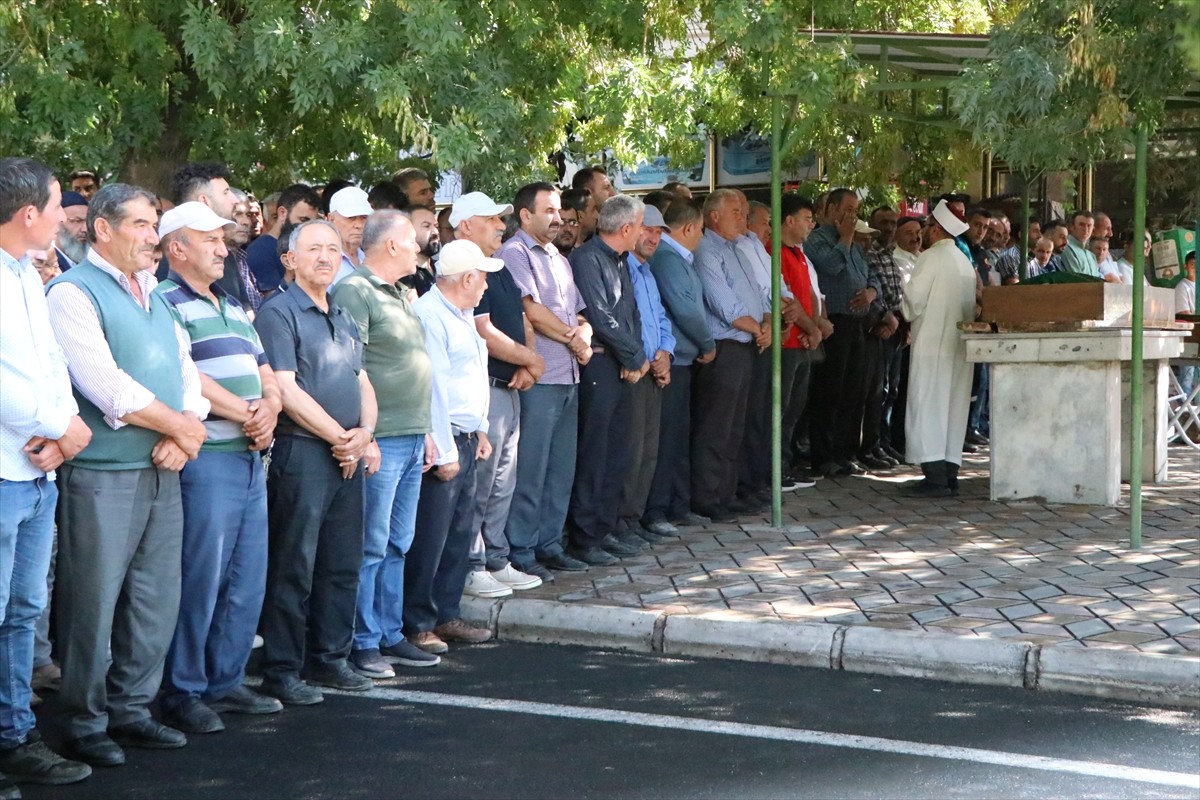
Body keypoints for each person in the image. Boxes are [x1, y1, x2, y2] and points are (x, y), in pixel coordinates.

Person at [47, 183, 211, 767]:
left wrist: (184, 428)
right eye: (141, 224)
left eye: (155, 223)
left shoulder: (157, 295)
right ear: (102, 229)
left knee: (154, 598)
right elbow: (105, 384)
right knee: (93, 602)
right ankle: (83, 722)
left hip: (164, 466)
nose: (153, 236)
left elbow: (187, 372)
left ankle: (131, 711)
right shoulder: (72, 291)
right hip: (103, 473)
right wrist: (183, 431)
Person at [154, 202, 284, 733]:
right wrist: (249, 413)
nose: (222, 247)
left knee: (245, 580)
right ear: (176, 248)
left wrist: (270, 406)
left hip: (251, 458)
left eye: (222, 238)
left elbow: (265, 369)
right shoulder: (164, 301)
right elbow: (185, 374)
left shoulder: (231, 303)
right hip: (208, 458)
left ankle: (225, 682)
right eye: (208, 238)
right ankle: (182, 691)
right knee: (200, 579)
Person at [253, 219, 378, 705]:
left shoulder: (343, 313)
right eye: (313, 249)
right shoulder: (277, 312)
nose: (325, 257)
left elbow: (362, 381)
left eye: (331, 248)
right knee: (293, 565)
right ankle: (283, 669)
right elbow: (284, 389)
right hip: (303, 452)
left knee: (341, 562)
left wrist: (364, 434)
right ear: (290, 259)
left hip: (346, 454)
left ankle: (330, 659)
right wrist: (340, 438)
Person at [0, 157, 94, 794]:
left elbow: (51, 364)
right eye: (59, 205)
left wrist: (65, 433)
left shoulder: (28, 277)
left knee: (23, 611)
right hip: (7, 473)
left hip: (36, 471)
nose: (66, 216)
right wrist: (60, 428)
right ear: (29, 214)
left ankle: (13, 736)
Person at [330, 211, 442, 678]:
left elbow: (412, 363)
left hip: (412, 435)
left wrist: (428, 429)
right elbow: (348, 368)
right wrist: (367, 434)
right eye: (411, 241)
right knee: (372, 544)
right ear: (392, 246)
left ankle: (390, 633)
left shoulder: (400, 291)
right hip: (383, 439)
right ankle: (363, 640)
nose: (419, 248)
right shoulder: (355, 291)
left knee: (399, 542)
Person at [405, 240, 499, 654]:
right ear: (466, 278)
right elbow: (434, 388)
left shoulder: (460, 314)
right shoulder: (430, 315)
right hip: (444, 439)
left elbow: (469, 377)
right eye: (482, 277)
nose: (485, 286)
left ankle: (445, 612)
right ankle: (419, 622)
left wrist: (479, 428)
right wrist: (444, 450)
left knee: (459, 532)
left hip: (464, 434)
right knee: (431, 534)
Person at [499, 186, 593, 575]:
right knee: (531, 468)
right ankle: (521, 551)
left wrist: (584, 334)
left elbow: (579, 311)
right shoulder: (514, 254)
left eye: (559, 211)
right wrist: (574, 338)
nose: (558, 218)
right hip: (541, 377)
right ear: (525, 216)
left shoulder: (559, 258)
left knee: (560, 468)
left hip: (569, 374)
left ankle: (550, 544)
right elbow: (531, 311)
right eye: (549, 211)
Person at [466, 185, 548, 592]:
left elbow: (523, 319)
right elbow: (484, 331)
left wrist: (529, 362)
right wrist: (529, 360)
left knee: (503, 481)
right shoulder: (463, 268)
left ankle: (496, 559)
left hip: (511, 385)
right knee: (481, 483)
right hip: (488, 389)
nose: (502, 226)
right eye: (492, 220)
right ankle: (473, 564)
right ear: (466, 225)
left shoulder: (496, 266)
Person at [567, 194, 648, 564]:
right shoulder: (587, 258)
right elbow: (600, 316)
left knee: (618, 450)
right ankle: (586, 536)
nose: (644, 233)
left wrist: (637, 355)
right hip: (600, 363)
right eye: (642, 225)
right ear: (627, 228)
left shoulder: (621, 261)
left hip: (621, 363)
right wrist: (633, 355)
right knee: (595, 452)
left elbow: (630, 312)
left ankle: (608, 525)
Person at [691, 189, 768, 519]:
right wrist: (755, 327)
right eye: (736, 211)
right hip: (724, 348)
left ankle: (727, 491)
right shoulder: (707, 250)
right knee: (717, 426)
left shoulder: (738, 248)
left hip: (747, 343)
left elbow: (757, 294)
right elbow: (724, 305)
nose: (743, 217)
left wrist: (765, 322)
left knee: (737, 425)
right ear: (714, 216)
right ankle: (707, 497)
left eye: (744, 211)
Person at [642, 199, 716, 533]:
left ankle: (678, 505)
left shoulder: (673, 258)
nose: (701, 237)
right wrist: (708, 342)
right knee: (667, 439)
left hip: (681, 359)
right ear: (688, 228)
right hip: (673, 361)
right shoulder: (669, 260)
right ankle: (658, 510)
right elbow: (685, 310)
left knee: (678, 437)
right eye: (701, 230)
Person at [804, 188, 881, 477]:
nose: (853, 215)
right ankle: (823, 456)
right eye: (848, 209)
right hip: (833, 323)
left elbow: (870, 274)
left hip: (857, 323)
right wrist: (846, 238)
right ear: (832, 209)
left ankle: (846, 452)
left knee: (854, 391)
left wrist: (871, 293)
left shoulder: (857, 246)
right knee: (829, 392)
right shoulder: (817, 240)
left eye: (855, 209)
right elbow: (832, 266)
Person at [902, 200, 977, 497]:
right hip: (958, 347)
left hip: (933, 345)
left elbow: (913, 302)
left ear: (936, 229)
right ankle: (949, 473)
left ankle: (934, 477)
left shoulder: (931, 258)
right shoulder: (963, 262)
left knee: (929, 404)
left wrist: (903, 291)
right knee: (953, 406)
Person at [619, 204, 676, 542]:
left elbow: (663, 320)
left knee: (648, 452)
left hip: (654, 370)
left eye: (658, 232)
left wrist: (666, 353)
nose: (653, 237)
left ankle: (634, 521)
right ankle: (621, 524)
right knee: (630, 453)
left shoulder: (648, 271)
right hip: (634, 372)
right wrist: (646, 359)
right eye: (648, 229)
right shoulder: (623, 268)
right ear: (632, 228)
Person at [246, 183, 322, 297]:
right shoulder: (260, 251)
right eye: (303, 220)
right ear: (282, 213)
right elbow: (273, 302)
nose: (308, 227)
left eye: (312, 222)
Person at [326, 186, 373, 284]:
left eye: (363, 217)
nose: (359, 225)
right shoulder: (323, 260)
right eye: (351, 217)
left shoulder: (368, 258)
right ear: (331, 219)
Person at [55, 191, 89, 270]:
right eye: (77, 221)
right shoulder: (46, 262)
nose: (85, 229)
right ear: (57, 223)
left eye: (88, 221)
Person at [1060, 210, 1100, 277]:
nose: (1086, 229)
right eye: (1082, 225)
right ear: (1072, 227)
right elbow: (1076, 279)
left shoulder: (1091, 256)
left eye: (1089, 226)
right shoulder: (1066, 247)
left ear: (1093, 229)